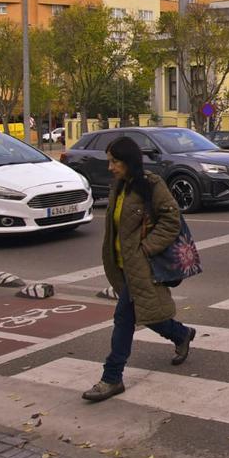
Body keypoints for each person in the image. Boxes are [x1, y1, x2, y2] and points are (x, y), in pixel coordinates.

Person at [82, 136, 196, 402]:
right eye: (109, 161)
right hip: (124, 266)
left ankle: (111, 378)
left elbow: (172, 219)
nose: (110, 167)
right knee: (148, 314)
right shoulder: (119, 187)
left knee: (124, 319)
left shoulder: (151, 185)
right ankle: (181, 334)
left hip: (142, 266)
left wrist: (146, 249)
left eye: (115, 161)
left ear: (129, 161)